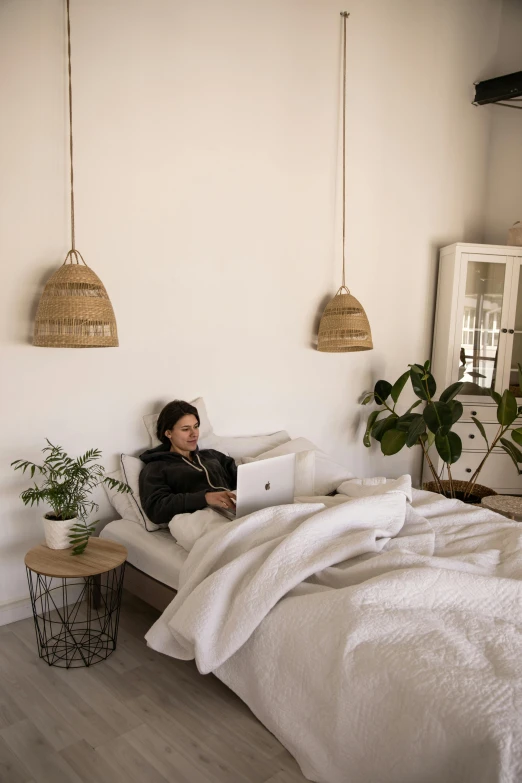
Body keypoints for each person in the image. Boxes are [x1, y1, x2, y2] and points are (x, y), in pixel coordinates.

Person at [139, 400, 237, 527]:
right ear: (168, 433)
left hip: (237, 513)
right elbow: (156, 508)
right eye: (185, 429)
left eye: (196, 426)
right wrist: (205, 498)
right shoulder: (156, 467)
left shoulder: (212, 456)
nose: (194, 434)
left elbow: (245, 481)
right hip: (203, 522)